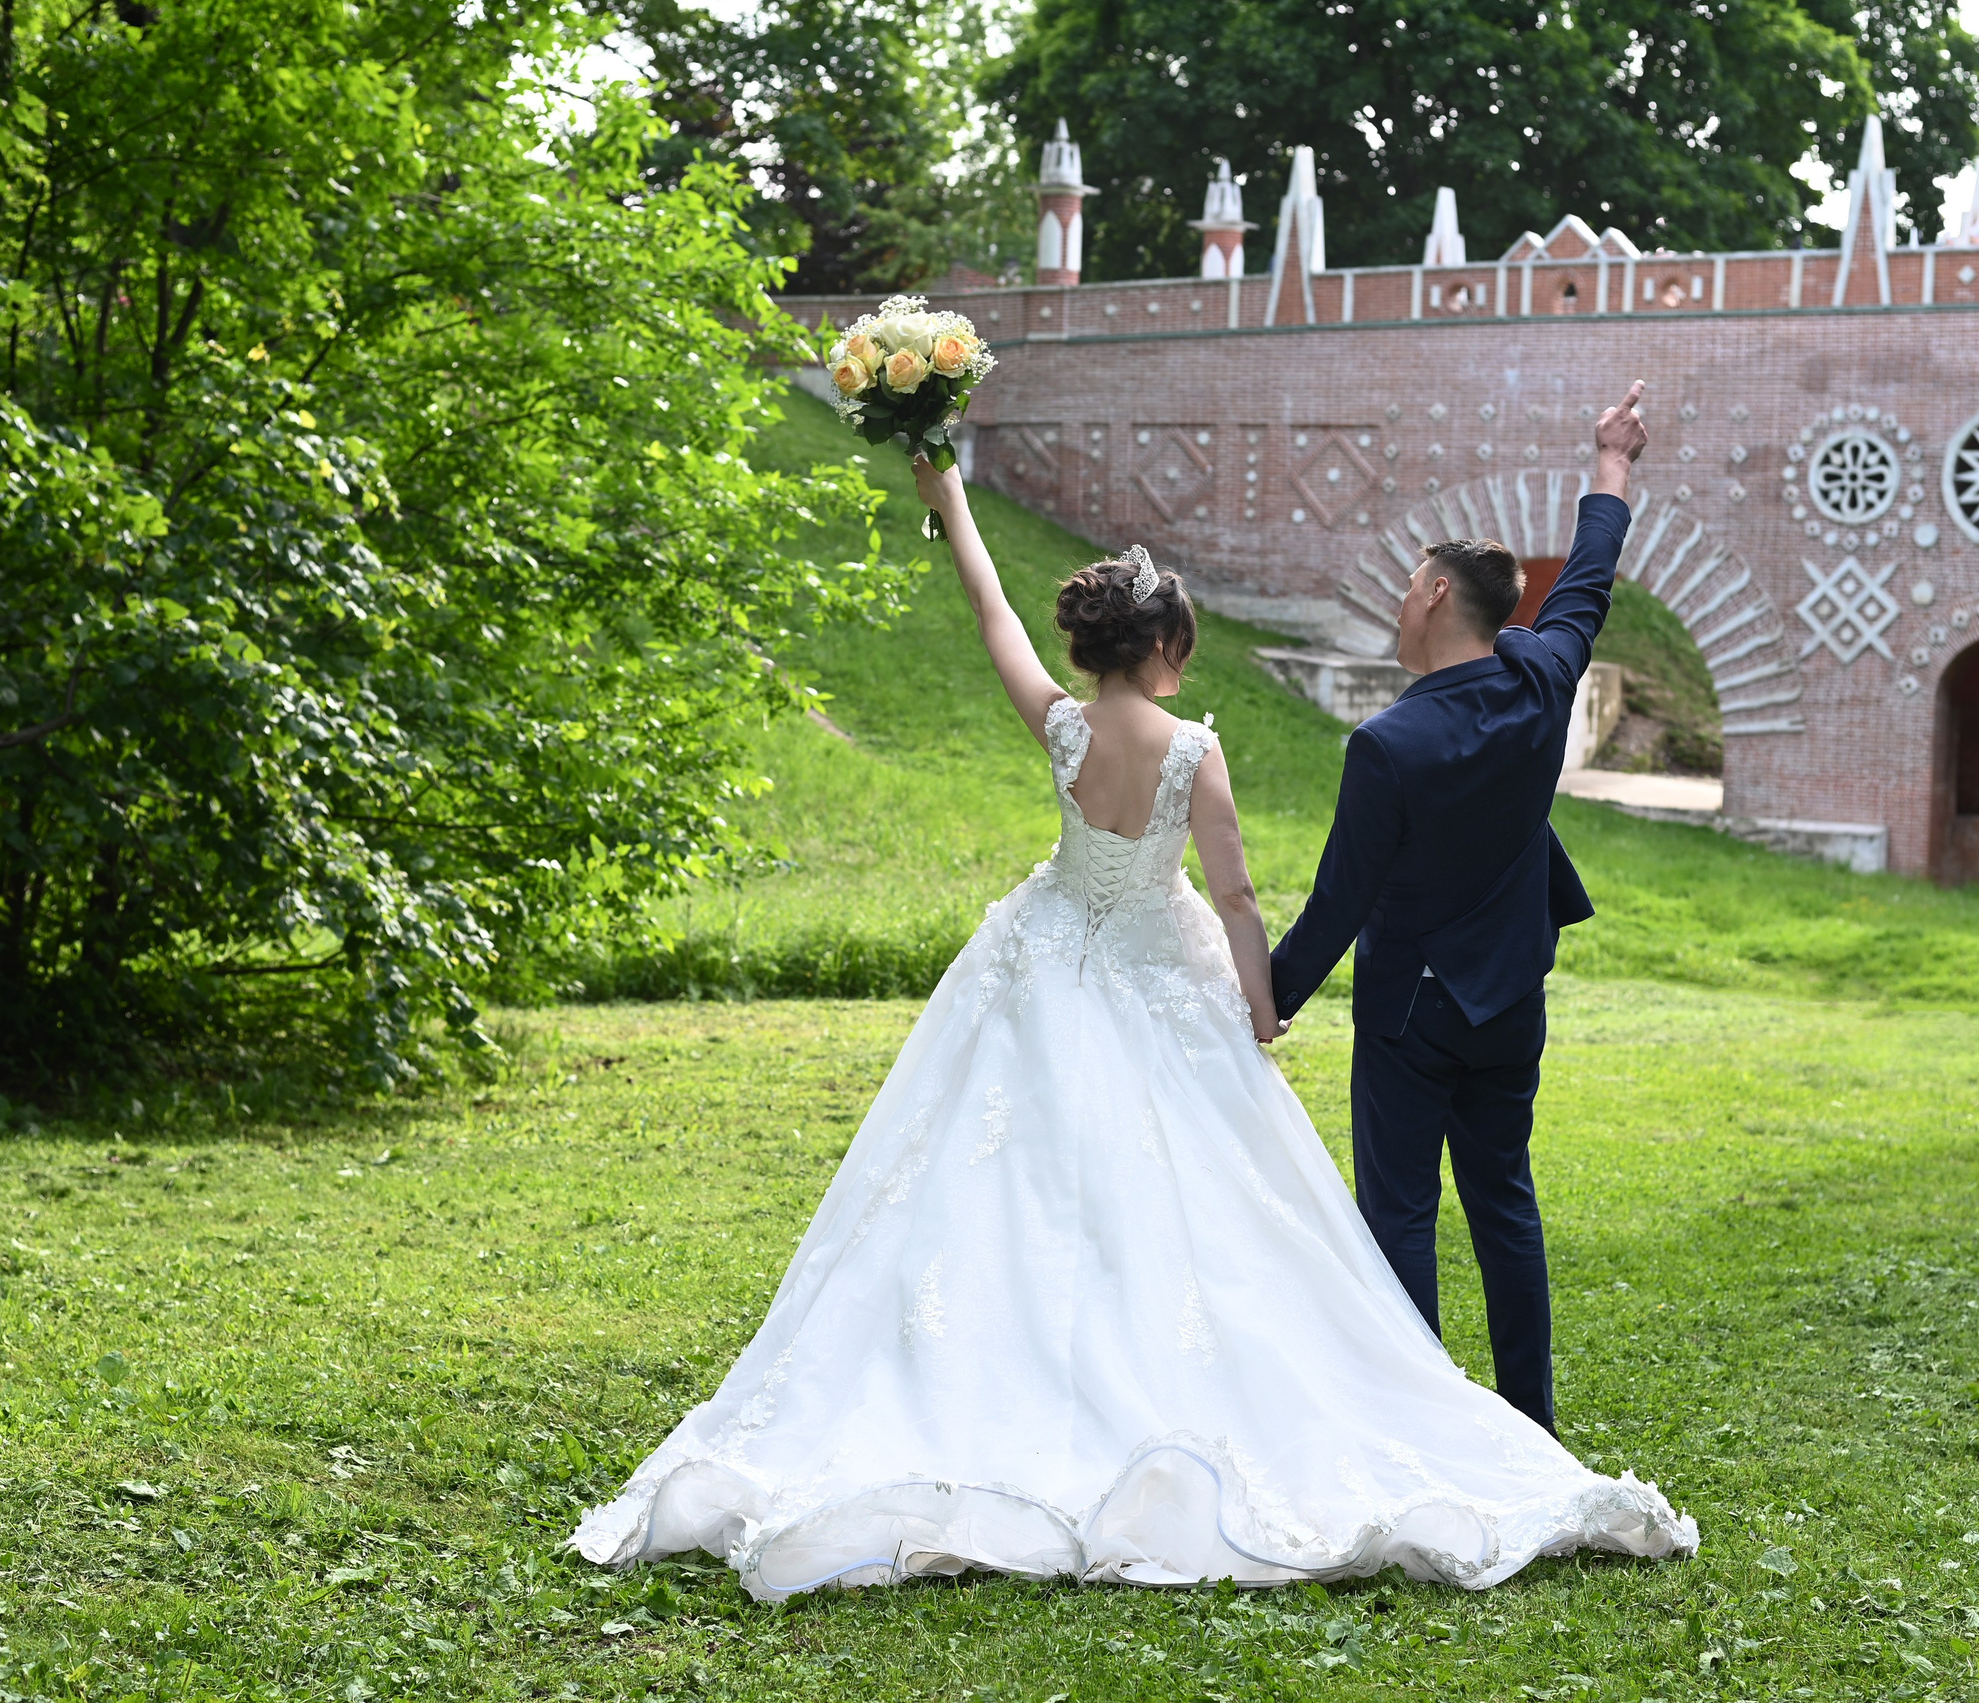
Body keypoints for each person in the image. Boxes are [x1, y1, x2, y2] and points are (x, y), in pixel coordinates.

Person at [570, 433, 1692, 1601]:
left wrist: (948, 495)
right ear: (1165, 647)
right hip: (1263, 979)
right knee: (1324, 1201)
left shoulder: (1066, 729)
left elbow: (992, 612)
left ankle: (1033, 1377)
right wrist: (1258, 1007)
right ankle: (1445, 1392)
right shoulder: (1207, 747)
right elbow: (1239, 892)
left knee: (999, 1183)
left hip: (1042, 963)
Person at [1268, 381, 1652, 1439]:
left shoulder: (1387, 744)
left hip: (1409, 1015)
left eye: (1405, 587)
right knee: (1505, 1206)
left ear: (1437, 594)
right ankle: (1530, 1420)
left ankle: (1421, 1427)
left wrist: (1269, 1000)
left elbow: (1339, 901)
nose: (1398, 604)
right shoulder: (1540, 681)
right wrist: (1611, 465)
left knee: (1398, 1213)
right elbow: (1585, 583)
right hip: (1511, 996)